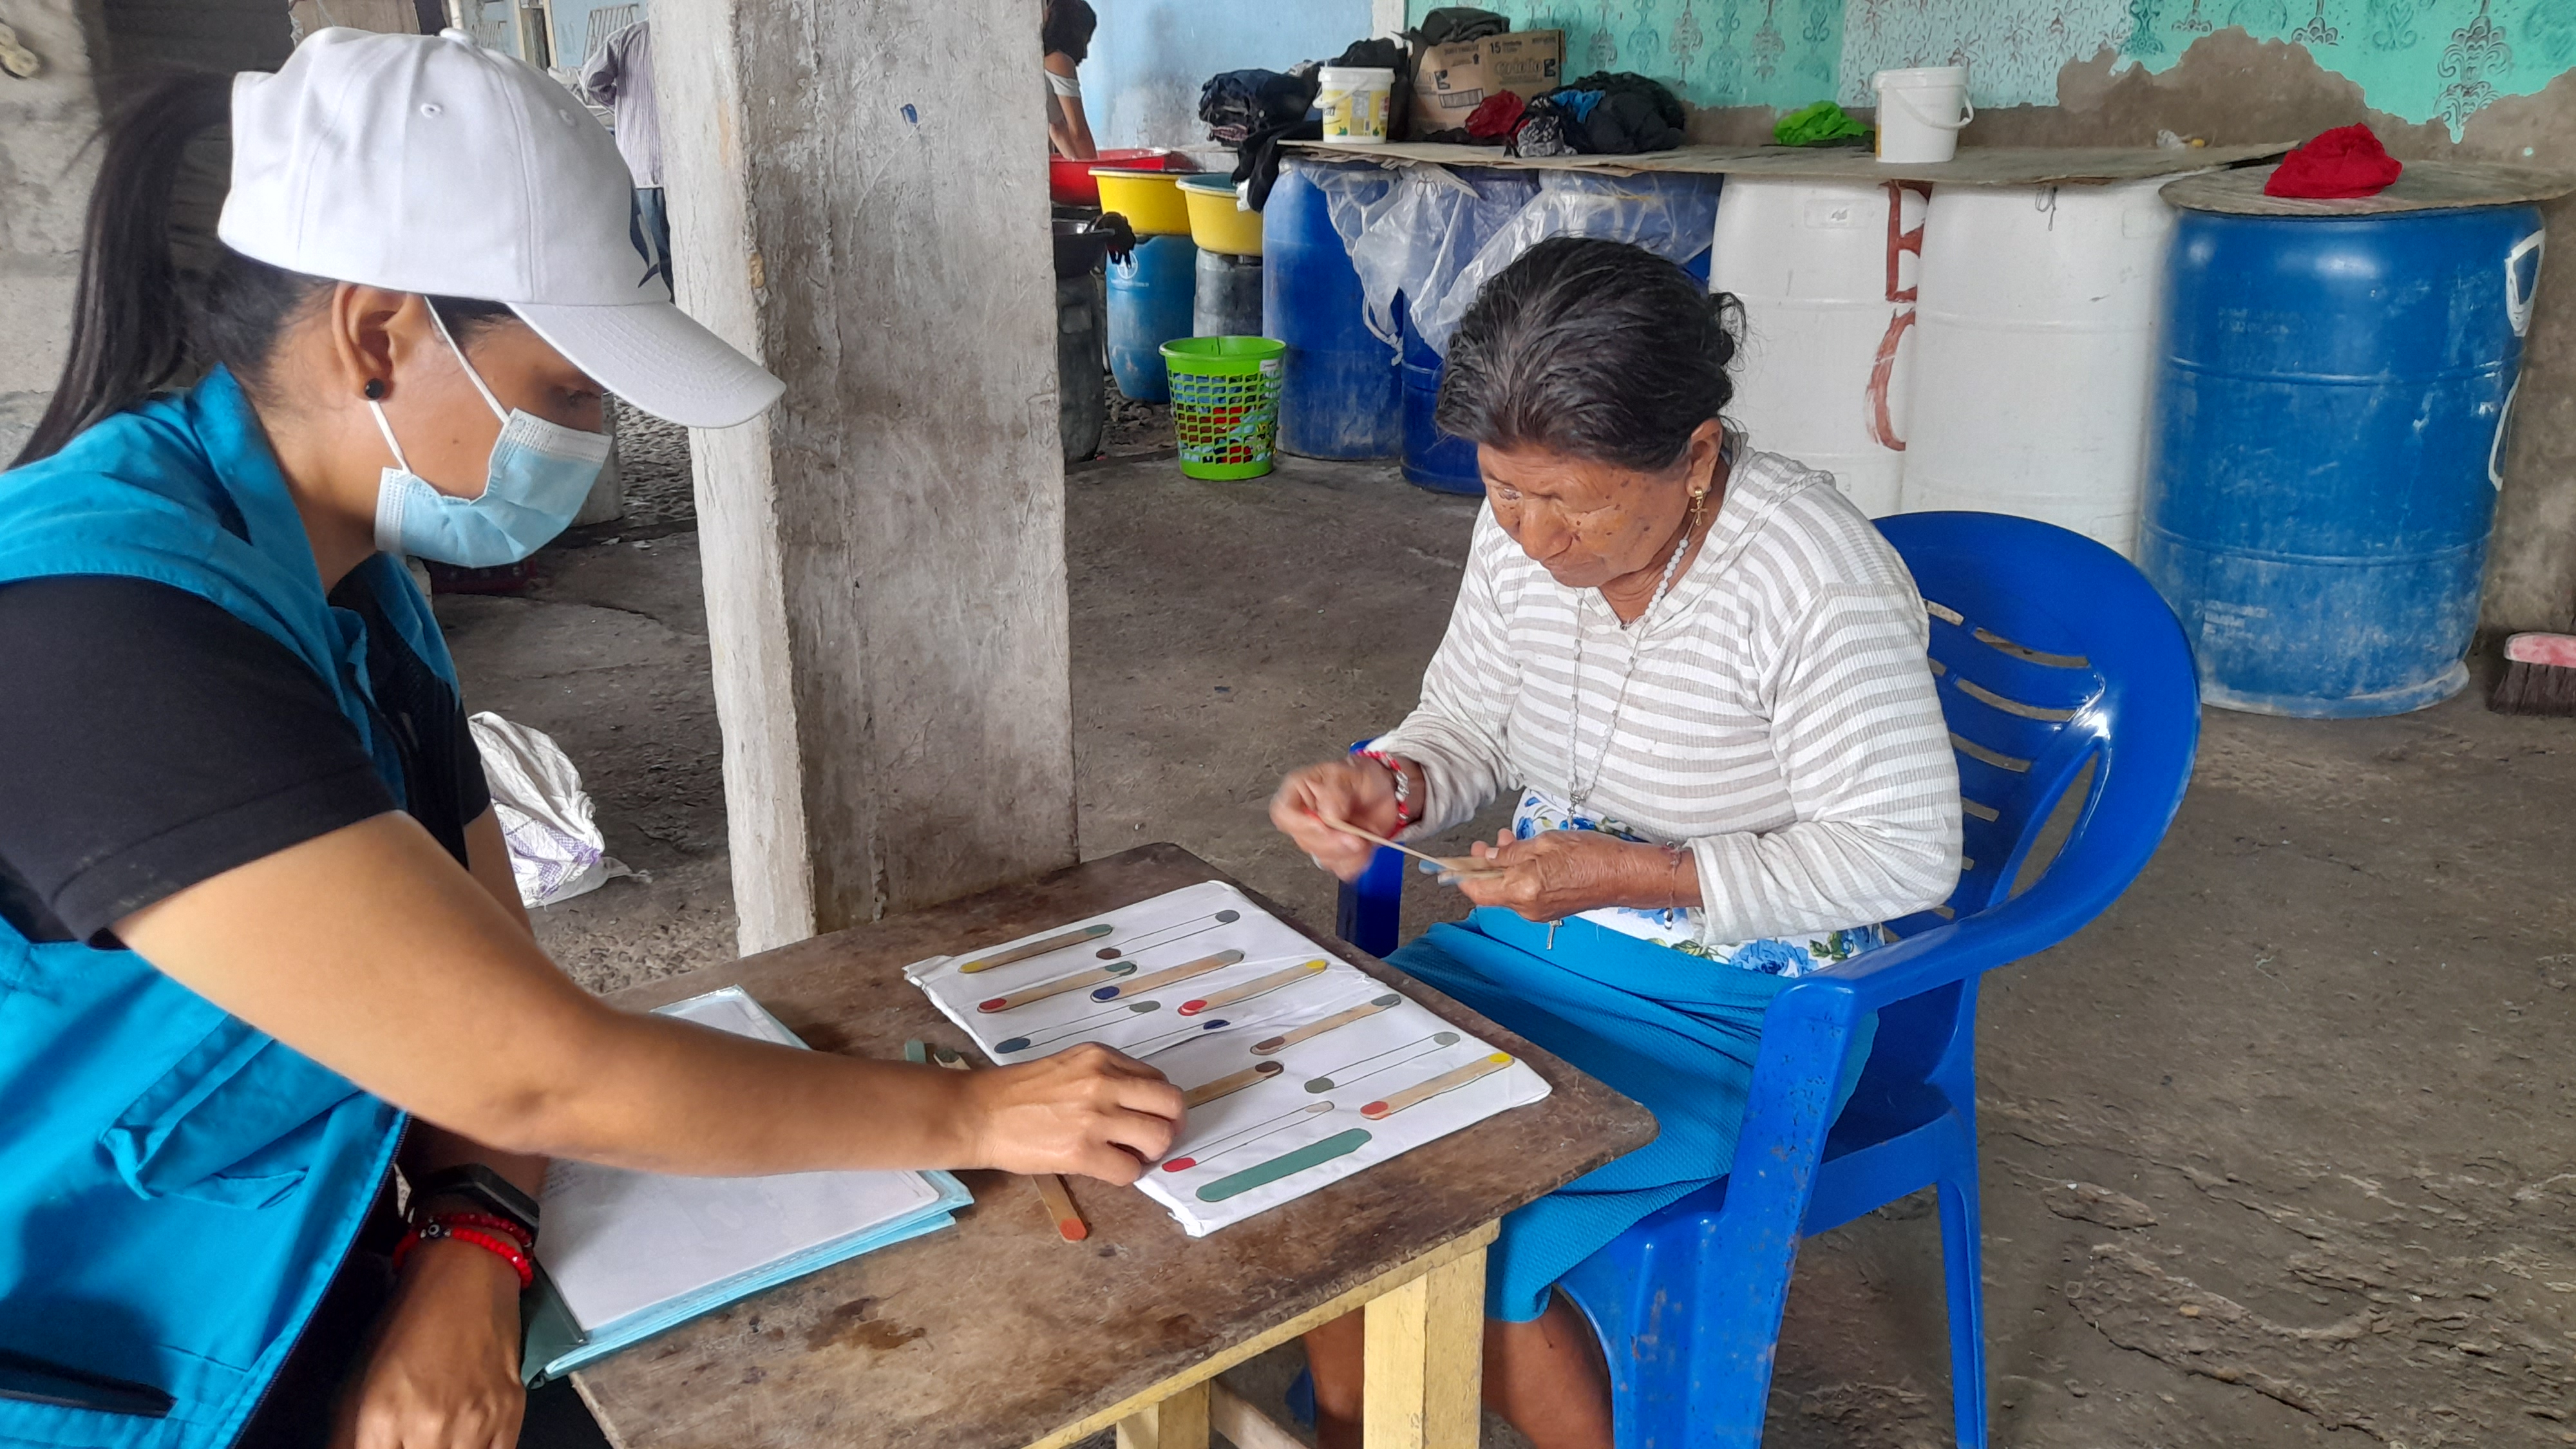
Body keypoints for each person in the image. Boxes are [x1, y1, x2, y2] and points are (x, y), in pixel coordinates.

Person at [0, 28, 1183, 1449]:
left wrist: (472, 1233)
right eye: (564, 391)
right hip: (96, 1361)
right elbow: (536, 1066)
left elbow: (494, 987)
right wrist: (976, 1121)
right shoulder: (103, 634)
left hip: (283, 1259)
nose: (591, 435)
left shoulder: (357, 588)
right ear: (375, 334)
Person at [1267, 238, 1962, 1449]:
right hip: (1526, 951)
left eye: (1575, 504)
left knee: (1465, 1228)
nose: (1535, 540)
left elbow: (1903, 853)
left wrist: (1639, 874)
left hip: (1736, 1014)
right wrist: (1392, 784)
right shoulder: (1524, 530)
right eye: (1504, 491)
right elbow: (1471, 719)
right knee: (1319, 1140)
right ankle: (1355, 1427)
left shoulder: (1811, 578)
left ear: (1694, 455)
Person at [577, 17, 668, 281]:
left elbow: (591, 80)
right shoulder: (691, 31)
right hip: (685, 172)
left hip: (643, 169)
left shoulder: (628, 38)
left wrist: (621, 106)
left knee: (657, 263)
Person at [1042, 0, 1097, 161]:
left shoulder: (1044, 58)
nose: (1085, 53)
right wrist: (1097, 170)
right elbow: (1078, 131)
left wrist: (1077, 164)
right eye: (1085, 41)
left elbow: (1057, 128)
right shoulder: (1060, 61)